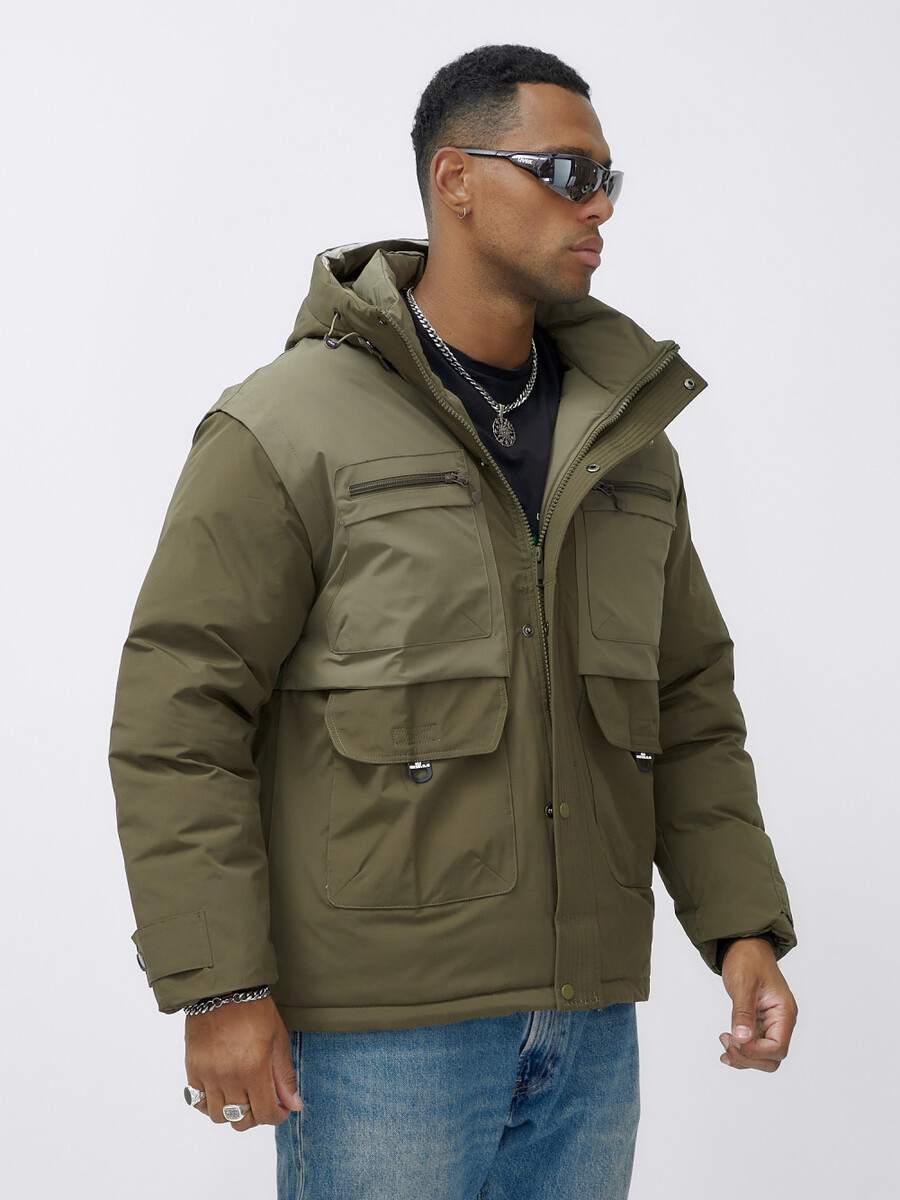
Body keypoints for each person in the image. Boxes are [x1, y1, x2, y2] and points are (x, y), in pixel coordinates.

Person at [109, 43, 798, 1200]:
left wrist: (742, 929)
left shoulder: (627, 446)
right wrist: (220, 984)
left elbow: (686, 703)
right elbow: (179, 719)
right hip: (380, 1038)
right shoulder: (288, 426)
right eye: (567, 173)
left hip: (589, 1026)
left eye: (609, 180)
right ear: (456, 180)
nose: (599, 206)